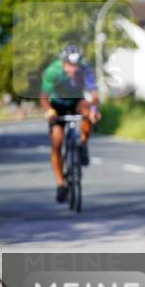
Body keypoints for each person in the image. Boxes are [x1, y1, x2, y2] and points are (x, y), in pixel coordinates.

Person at [40, 44, 100, 202]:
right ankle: (60, 184)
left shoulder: (84, 71)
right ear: (63, 62)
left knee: (88, 112)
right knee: (57, 143)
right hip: (56, 106)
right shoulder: (53, 71)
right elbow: (44, 97)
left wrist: (94, 109)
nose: (73, 69)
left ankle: (83, 143)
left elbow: (94, 94)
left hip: (75, 102)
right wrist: (48, 111)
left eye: (76, 65)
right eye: (70, 65)